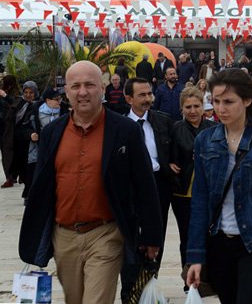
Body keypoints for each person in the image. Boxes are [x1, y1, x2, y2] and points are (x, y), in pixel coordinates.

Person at [18, 61, 163, 304]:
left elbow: (144, 185)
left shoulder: (125, 130)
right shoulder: (53, 132)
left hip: (106, 234)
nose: (82, 92)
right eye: (75, 86)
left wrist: (152, 236)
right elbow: (41, 187)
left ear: (103, 89)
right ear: (67, 92)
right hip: (63, 237)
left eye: (89, 85)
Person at [185, 68, 252, 302]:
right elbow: (200, 202)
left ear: (247, 100)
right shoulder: (204, 141)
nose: (220, 109)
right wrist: (195, 255)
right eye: (216, 101)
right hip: (218, 245)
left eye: (228, 101)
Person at [120, 77, 175, 300]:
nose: (148, 99)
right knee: (131, 239)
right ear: (128, 98)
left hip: (158, 184)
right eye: (142, 95)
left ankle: (150, 280)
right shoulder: (120, 125)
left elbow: (172, 149)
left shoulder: (163, 121)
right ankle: (130, 289)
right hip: (130, 188)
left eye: (149, 94)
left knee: (155, 235)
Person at [169, 86, 215, 292]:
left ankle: (209, 278)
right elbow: (166, 155)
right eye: (188, 107)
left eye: (196, 106)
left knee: (210, 235)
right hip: (184, 192)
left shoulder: (212, 129)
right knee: (187, 236)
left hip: (209, 191)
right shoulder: (175, 129)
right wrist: (169, 163)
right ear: (182, 108)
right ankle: (188, 279)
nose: (193, 110)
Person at [19, 87, 68, 205]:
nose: (59, 101)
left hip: (58, 146)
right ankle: (30, 194)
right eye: (56, 99)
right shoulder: (35, 110)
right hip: (37, 146)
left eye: (60, 98)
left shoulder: (65, 111)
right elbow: (24, 127)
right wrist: (31, 134)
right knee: (35, 170)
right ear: (47, 100)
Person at [0, 75, 19, 188]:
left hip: (9, 127)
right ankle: (11, 176)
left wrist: (5, 95)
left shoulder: (14, 94)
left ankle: (10, 177)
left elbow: (16, 104)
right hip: (3, 126)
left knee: (8, 153)